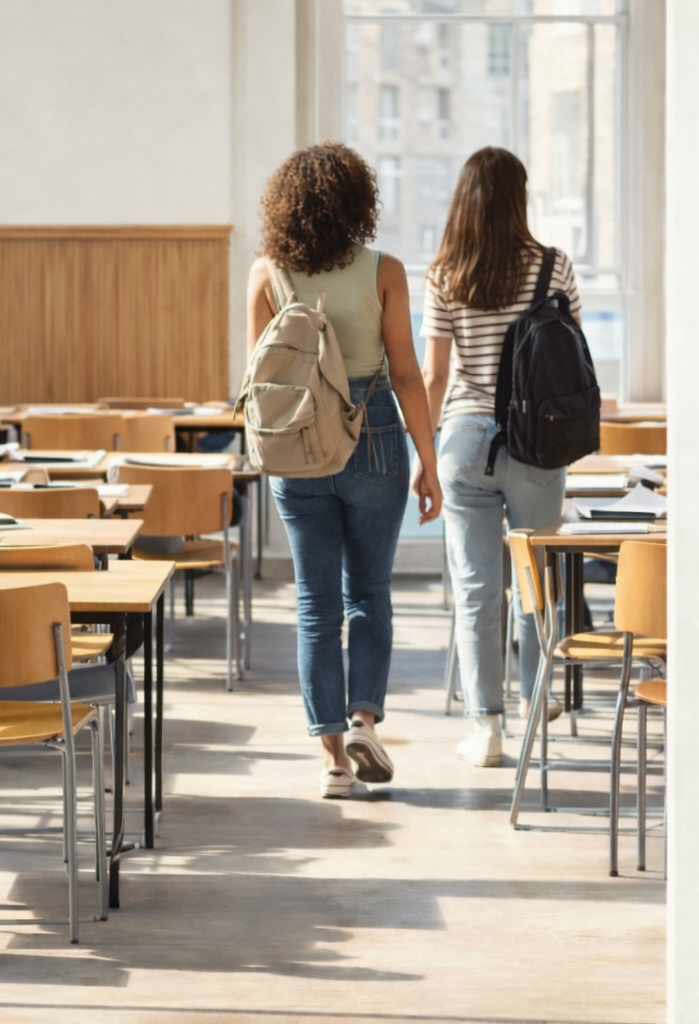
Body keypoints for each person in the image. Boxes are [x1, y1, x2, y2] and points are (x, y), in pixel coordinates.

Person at [247, 142, 442, 799]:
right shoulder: (384, 270)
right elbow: (409, 373)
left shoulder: (265, 274)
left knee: (315, 602)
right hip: (374, 434)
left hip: (298, 441)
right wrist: (428, 460)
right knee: (369, 593)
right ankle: (365, 720)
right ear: (360, 202)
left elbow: (261, 379)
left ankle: (332, 761)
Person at [418, 146, 583, 768]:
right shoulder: (555, 266)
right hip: (537, 442)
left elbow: (435, 377)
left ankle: (486, 727)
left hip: (464, 440)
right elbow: (570, 361)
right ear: (521, 197)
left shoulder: (444, 274)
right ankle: (537, 702)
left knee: (476, 586)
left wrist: (425, 456)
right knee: (536, 580)